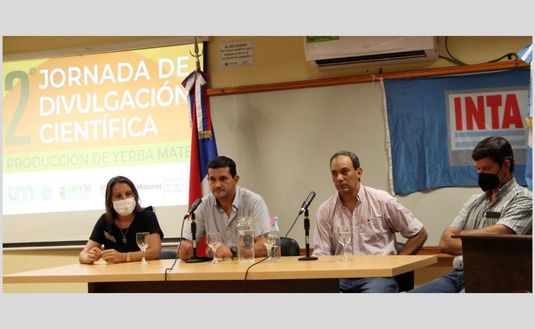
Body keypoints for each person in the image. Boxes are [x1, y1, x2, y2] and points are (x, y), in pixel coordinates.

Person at [410, 136, 532, 293]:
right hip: (458, 274)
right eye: (478, 169)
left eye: (486, 169)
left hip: (496, 278)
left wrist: (460, 235)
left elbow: (500, 240)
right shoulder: (474, 201)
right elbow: (445, 242)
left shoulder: (525, 200)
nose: (481, 174)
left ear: (505, 165)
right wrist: (479, 245)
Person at [313, 151, 428, 293]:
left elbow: (419, 233)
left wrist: (397, 265)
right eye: (334, 174)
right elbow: (321, 254)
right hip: (339, 278)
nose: (339, 178)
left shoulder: (382, 201)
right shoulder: (325, 210)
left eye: (344, 172)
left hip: (377, 277)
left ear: (359, 172)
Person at [179, 156, 271, 260]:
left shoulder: (253, 202)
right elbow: (186, 243)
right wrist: (185, 248)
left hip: (249, 268)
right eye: (212, 179)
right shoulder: (203, 205)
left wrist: (233, 251)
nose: (217, 185)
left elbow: (266, 245)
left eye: (223, 179)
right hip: (218, 272)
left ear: (236, 180)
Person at [79, 176, 163, 264]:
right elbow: (83, 254)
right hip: (114, 275)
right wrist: (88, 257)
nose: (124, 198)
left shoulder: (147, 216)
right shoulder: (105, 220)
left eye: (129, 194)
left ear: (135, 195)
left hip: (143, 272)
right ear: (110, 201)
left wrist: (124, 257)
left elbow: (155, 252)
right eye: (118, 196)